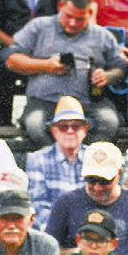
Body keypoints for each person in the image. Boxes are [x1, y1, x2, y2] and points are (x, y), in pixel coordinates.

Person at [5, 0, 128, 147]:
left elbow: (120, 68)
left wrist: (107, 76)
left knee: (110, 121)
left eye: (79, 19)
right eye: (68, 16)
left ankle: (84, 162)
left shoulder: (102, 36)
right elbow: (11, 60)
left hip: (87, 102)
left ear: (89, 13)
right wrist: (45, 65)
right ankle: (56, 160)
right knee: (34, 124)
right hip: (45, 101)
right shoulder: (39, 27)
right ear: (60, 6)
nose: (72, 23)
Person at [46, 142, 128, 255]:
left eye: (104, 181)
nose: (97, 188)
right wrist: (78, 253)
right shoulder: (66, 202)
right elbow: (48, 250)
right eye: (91, 180)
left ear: (118, 174)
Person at [25, 97, 91, 228]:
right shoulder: (37, 160)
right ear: (54, 131)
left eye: (76, 126)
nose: (70, 131)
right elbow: (37, 205)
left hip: (90, 231)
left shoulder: (94, 157)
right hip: (52, 229)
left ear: (84, 131)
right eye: (63, 127)